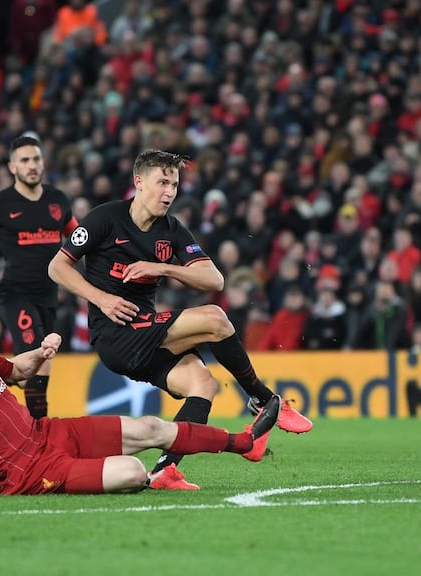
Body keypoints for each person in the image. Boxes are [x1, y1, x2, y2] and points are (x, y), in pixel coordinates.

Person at [48, 149, 312, 490]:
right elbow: (56, 267)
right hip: (114, 334)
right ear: (139, 183)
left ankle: (165, 470)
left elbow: (215, 280)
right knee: (215, 318)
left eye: (174, 184)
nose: (170, 192)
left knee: (203, 384)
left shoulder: (171, 230)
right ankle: (262, 399)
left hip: (147, 333)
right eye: (162, 182)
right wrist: (102, 299)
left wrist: (163, 267)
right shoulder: (104, 219)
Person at [0, 298, 280, 498]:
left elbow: (16, 372)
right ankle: (124, 472)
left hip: (46, 433)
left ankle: (245, 443)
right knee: (133, 472)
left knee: (152, 427)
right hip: (28, 473)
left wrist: (41, 353)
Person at [0, 135, 77, 419]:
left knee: (39, 364)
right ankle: (38, 429)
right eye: (25, 161)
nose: (32, 165)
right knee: (37, 352)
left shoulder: (58, 200)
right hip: (15, 293)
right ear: (12, 167)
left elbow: (79, 238)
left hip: (49, 295)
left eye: (36, 159)